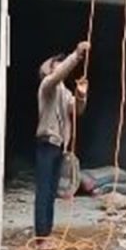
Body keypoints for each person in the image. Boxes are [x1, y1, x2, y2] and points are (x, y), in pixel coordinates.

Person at [34, 41, 90, 239]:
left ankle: (46, 233)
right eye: (57, 63)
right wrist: (76, 55)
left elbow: (76, 111)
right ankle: (41, 236)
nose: (61, 65)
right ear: (49, 70)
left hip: (59, 146)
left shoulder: (64, 93)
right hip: (47, 143)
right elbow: (58, 75)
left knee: (51, 193)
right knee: (44, 190)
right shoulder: (47, 86)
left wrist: (81, 95)